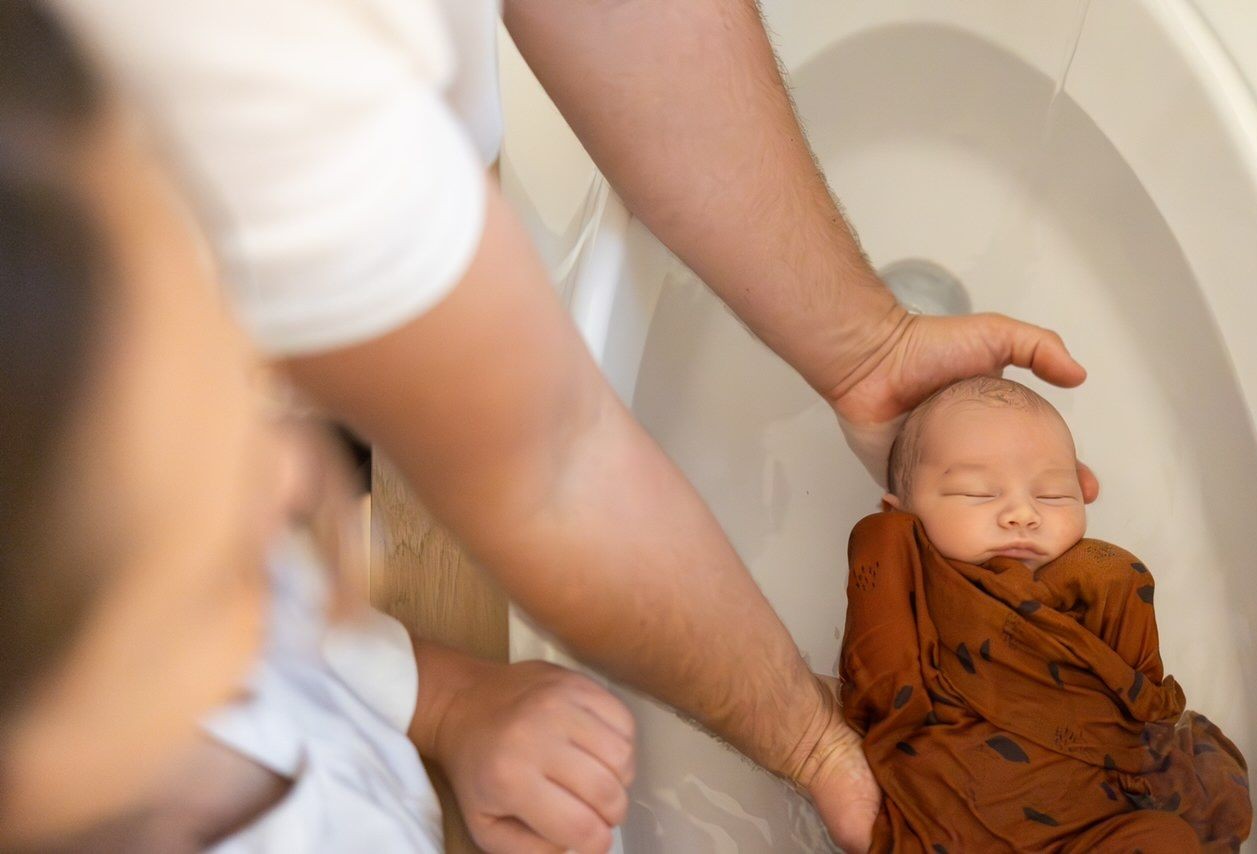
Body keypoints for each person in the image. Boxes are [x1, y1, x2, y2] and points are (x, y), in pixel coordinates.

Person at [50, 2, 1099, 849]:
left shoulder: (205, 621)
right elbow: (547, 462)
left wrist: (445, 700)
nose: (297, 487)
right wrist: (825, 738)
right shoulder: (226, 66)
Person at [0, 7, 634, 852]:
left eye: (240, 378)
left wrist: (449, 705)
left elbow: (301, 641)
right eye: (214, 576)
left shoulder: (190, 570)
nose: (290, 480)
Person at [840, 377, 1251, 850]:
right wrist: (887, 535)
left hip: (1093, 814)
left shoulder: (1102, 581)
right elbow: (879, 682)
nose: (1022, 514)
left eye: (1054, 495)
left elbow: (1138, 706)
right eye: (976, 494)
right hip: (963, 806)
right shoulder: (905, 569)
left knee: (1168, 839)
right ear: (902, 512)